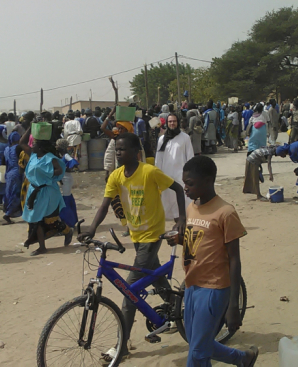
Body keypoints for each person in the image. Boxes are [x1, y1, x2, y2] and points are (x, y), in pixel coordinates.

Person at [79, 132, 186, 359]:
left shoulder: (149, 172)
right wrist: (91, 229)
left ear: (136, 152)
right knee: (155, 275)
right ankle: (177, 309)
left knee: (129, 291)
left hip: (152, 235)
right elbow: (105, 204)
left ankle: (122, 345)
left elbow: (177, 188)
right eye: (116, 149)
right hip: (136, 236)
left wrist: (181, 218)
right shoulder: (116, 176)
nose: (118, 153)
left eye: (122, 149)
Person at [166, 155, 259, 367]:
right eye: (184, 183)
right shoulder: (191, 208)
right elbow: (199, 243)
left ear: (208, 181)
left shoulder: (225, 212)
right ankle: (242, 359)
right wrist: (181, 239)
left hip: (214, 289)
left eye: (190, 183)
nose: (185, 188)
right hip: (192, 285)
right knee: (198, 343)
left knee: (197, 355)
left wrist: (233, 304)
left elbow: (234, 259)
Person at [18, 124, 70, 256]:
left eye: (34, 143)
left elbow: (59, 170)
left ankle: (64, 232)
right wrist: (30, 127)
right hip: (34, 191)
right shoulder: (33, 155)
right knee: (38, 219)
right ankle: (44, 245)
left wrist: (46, 174)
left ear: (40, 147)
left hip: (47, 191)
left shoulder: (49, 158)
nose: (31, 145)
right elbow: (22, 142)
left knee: (45, 219)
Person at [156, 113, 194, 222]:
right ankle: (178, 225)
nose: (172, 123)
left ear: (178, 122)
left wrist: (190, 175)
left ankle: (183, 225)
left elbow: (190, 157)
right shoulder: (162, 139)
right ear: (167, 123)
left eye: (174, 121)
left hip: (181, 177)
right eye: (170, 121)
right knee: (170, 204)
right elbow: (159, 159)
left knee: (184, 204)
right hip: (166, 177)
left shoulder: (185, 138)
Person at [242, 104, 268, 201]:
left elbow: (248, 131)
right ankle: (258, 194)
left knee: (252, 170)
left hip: (252, 148)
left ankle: (253, 190)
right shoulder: (264, 115)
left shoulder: (252, 118)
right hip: (261, 149)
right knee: (256, 170)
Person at [56, 138, 78, 246]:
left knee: (65, 200)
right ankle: (70, 221)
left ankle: (68, 223)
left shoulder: (65, 155)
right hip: (64, 179)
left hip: (66, 179)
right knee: (66, 198)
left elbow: (74, 162)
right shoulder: (62, 155)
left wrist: (67, 168)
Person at [2, 131, 23, 224]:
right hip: (17, 173)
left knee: (9, 193)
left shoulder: (6, 149)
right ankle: (8, 214)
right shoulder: (18, 148)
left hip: (8, 174)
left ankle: (7, 211)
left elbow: (3, 163)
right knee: (16, 194)